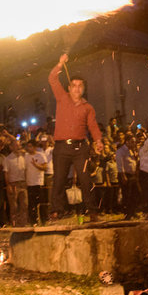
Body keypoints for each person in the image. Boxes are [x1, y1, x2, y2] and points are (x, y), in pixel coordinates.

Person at [48, 53, 103, 220]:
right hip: (62, 147)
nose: (77, 88)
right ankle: (56, 211)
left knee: (86, 179)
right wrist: (60, 63)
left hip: (80, 148)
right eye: (74, 85)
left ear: (83, 88)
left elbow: (92, 126)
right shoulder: (62, 98)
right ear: (69, 88)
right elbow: (52, 79)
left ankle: (92, 211)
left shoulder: (88, 107)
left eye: (80, 85)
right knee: (59, 179)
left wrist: (98, 141)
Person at [3, 138, 28, 226]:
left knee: (24, 204)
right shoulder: (8, 159)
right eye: (16, 145)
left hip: (23, 183)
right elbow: (6, 173)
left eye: (19, 145)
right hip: (13, 183)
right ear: (11, 147)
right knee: (14, 206)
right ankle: (14, 223)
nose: (18, 147)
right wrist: (8, 185)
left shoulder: (24, 156)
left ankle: (23, 223)